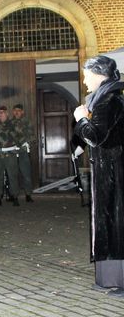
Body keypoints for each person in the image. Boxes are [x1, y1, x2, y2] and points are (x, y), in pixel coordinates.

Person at [73, 55, 124, 297]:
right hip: (108, 171)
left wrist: (81, 118)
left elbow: (95, 136)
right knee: (109, 223)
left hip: (115, 172)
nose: (84, 80)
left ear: (99, 74)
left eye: (87, 75)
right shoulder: (103, 100)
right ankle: (109, 278)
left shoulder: (109, 101)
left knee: (117, 222)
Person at [0, 106, 20, 206]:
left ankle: (14, 196)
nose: (1, 115)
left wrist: (20, 147)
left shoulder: (13, 124)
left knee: (12, 176)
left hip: (10, 154)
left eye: (2, 113)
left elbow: (20, 137)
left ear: (7, 114)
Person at [11, 104, 36, 202]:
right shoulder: (10, 123)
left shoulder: (27, 122)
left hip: (23, 151)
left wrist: (25, 143)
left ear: (22, 112)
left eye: (18, 110)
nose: (16, 112)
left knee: (26, 174)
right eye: (15, 110)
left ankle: (28, 194)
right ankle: (14, 195)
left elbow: (32, 136)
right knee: (13, 174)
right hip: (12, 151)